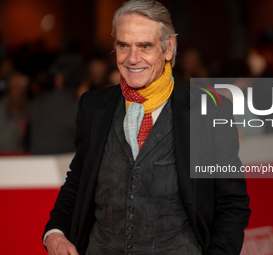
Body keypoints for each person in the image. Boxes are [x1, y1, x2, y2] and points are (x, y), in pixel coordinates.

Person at [43, 1, 250, 255]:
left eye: (145, 46)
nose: (132, 58)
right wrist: (55, 233)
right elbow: (77, 180)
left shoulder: (209, 112)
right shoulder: (94, 107)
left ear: (168, 48)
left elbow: (232, 203)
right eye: (123, 45)